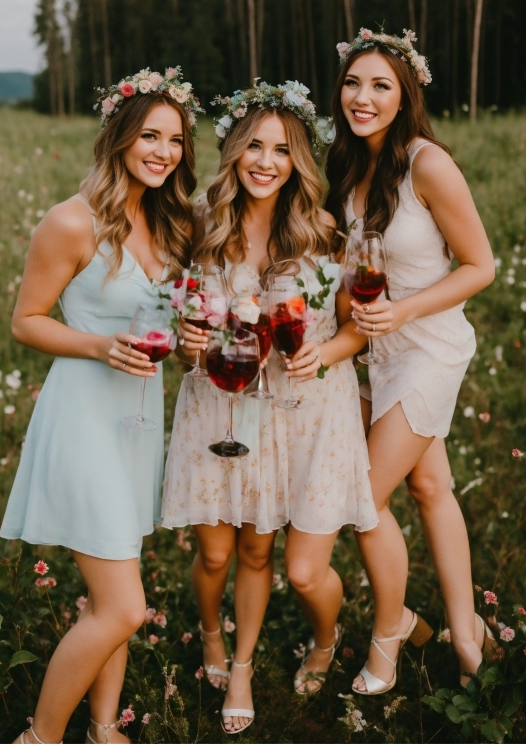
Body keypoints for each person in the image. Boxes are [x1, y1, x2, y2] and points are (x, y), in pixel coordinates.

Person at [161, 80, 378, 734]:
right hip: (214, 407)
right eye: (253, 146)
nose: (265, 161)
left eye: (282, 150)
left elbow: (354, 327)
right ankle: (211, 635)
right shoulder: (195, 225)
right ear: (233, 151)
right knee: (215, 555)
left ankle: (247, 665)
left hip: (291, 413)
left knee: (257, 555)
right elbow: (177, 332)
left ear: (298, 161)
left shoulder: (322, 232)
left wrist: (329, 352)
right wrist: (184, 344)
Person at [0, 68, 201, 744]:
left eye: (175, 139)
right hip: (83, 420)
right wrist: (96, 344)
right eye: (149, 134)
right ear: (118, 135)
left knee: (118, 584)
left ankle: (104, 729)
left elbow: (166, 325)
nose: (163, 151)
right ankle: (40, 739)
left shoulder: (170, 222)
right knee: (122, 608)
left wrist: (191, 337)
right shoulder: (71, 220)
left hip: (137, 425)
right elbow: (26, 320)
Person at [325, 29, 496, 695]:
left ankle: (392, 632)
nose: (362, 98)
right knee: (430, 489)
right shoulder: (349, 165)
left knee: (365, 497)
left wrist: (402, 310)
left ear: (405, 98)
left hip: (427, 347)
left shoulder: (429, 164)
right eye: (352, 83)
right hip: (377, 352)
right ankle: (466, 638)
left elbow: (482, 266)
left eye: (379, 86)